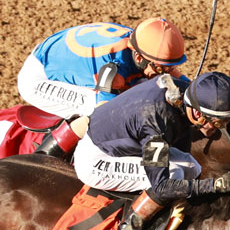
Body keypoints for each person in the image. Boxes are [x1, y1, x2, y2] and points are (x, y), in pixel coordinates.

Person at [74, 71, 230, 230]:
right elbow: (162, 186)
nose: (220, 130)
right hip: (97, 160)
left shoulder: (185, 92)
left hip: (124, 142)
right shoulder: (156, 122)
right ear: (198, 114)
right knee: (173, 174)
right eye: (218, 122)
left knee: (193, 167)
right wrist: (214, 185)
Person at [17, 18, 187, 159]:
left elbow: (175, 78)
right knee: (97, 109)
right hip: (39, 79)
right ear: (138, 56)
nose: (161, 73)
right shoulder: (112, 65)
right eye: (158, 68)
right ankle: (44, 157)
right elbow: (105, 114)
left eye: (168, 68)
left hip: (62, 57)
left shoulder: (145, 47)